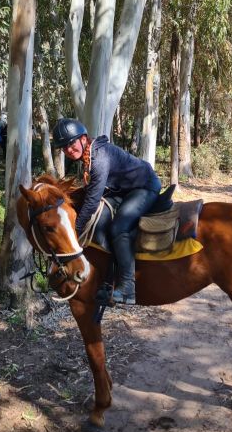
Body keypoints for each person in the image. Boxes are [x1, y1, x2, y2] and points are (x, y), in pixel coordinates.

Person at [53, 118, 161, 305]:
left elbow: (93, 200)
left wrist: (75, 229)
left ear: (83, 138)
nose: (69, 150)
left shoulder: (99, 157)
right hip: (123, 190)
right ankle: (107, 281)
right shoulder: (87, 156)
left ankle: (127, 286)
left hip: (144, 186)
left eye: (71, 143)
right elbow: (89, 190)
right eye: (64, 148)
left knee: (119, 227)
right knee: (101, 222)